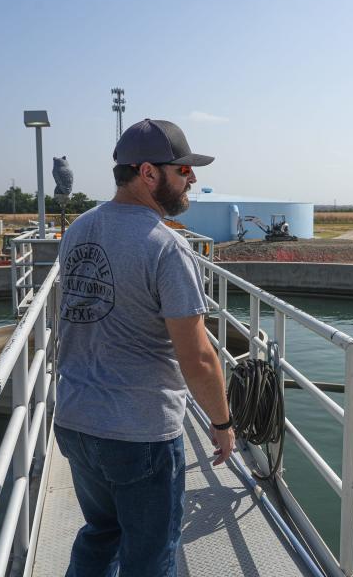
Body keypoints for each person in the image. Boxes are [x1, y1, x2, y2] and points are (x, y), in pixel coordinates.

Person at [55, 119, 235, 577]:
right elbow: (197, 358)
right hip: (139, 434)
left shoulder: (78, 230)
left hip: (76, 421)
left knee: (101, 534)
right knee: (150, 555)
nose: (191, 178)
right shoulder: (165, 247)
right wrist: (222, 422)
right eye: (183, 170)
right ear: (150, 173)